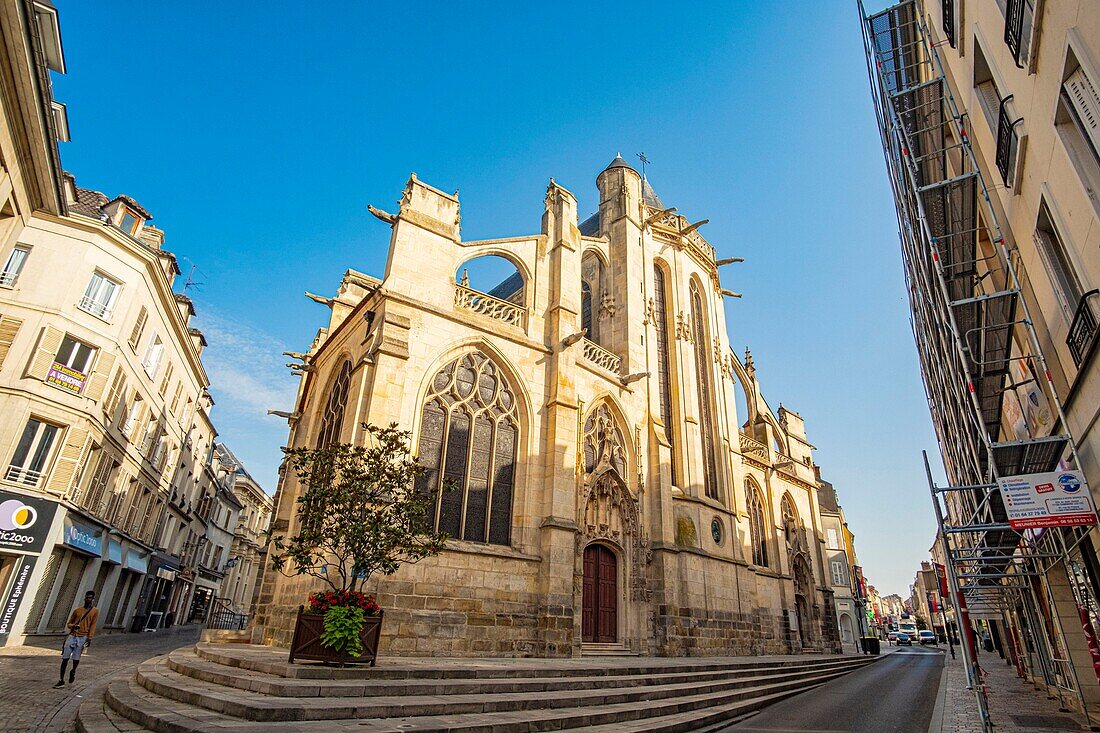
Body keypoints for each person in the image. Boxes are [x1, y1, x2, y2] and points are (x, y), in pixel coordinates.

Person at [53, 590, 98, 689]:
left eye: (90, 598)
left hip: (83, 637)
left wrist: (89, 638)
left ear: (93, 599)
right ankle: (61, 680)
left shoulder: (95, 611)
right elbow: (69, 624)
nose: (88, 599)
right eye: (87, 597)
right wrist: (73, 626)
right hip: (72, 635)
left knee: (76, 658)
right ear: (84, 598)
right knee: (65, 658)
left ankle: (73, 670)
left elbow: (93, 625)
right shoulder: (77, 610)